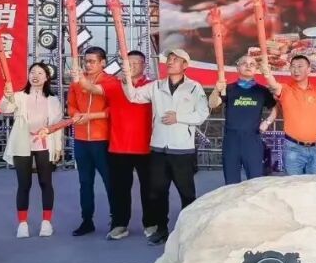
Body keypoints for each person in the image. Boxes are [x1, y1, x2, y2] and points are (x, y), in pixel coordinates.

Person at [123, 48, 210, 246]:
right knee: (158, 192)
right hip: (159, 148)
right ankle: (161, 229)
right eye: (169, 59)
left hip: (182, 149)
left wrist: (179, 118)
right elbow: (134, 97)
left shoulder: (194, 87)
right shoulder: (156, 86)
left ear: (185, 65)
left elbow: (202, 113)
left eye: (175, 59)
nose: (170, 62)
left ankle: (188, 230)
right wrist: (127, 78)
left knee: (186, 193)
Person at [71, 50, 159, 240]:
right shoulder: (114, 85)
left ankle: (151, 223)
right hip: (118, 146)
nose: (131, 66)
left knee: (149, 188)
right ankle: (120, 224)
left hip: (146, 146)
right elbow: (92, 88)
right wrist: (79, 76)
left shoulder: (152, 86)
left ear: (144, 65)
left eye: (136, 63)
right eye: (128, 62)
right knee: (120, 189)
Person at [0, 62, 63, 238]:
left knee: (45, 182)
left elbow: (57, 125)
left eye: (40, 73)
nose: (35, 76)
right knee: (24, 184)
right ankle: (22, 224)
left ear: (47, 77)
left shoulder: (53, 100)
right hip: (23, 143)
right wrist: (6, 97)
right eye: (32, 72)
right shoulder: (19, 96)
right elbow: (5, 109)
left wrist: (58, 147)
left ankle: (46, 222)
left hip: (44, 143)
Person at [66, 46, 113, 237]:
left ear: (103, 62)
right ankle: (87, 221)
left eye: (92, 61)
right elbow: (71, 105)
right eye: (86, 61)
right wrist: (76, 115)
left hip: (102, 140)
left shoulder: (111, 82)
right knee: (85, 182)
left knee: (110, 181)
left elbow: (112, 109)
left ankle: (116, 219)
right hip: (81, 140)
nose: (88, 64)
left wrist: (91, 116)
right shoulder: (76, 83)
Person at [209, 55, 277, 184]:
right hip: (231, 141)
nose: (248, 66)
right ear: (237, 68)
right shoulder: (228, 89)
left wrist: (267, 122)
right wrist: (216, 89)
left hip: (252, 140)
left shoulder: (262, 91)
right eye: (244, 63)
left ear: (256, 69)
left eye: (252, 64)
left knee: (255, 181)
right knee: (231, 183)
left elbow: (275, 108)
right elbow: (212, 104)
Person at [262, 54, 316, 175]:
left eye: (300, 66)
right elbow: (274, 85)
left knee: (314, 184)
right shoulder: (285, 89)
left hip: (315, 149)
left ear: (309, 69)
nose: (296, 70)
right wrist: (267, 74)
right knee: (294, 184)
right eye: (293, 66)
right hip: (293, 149)